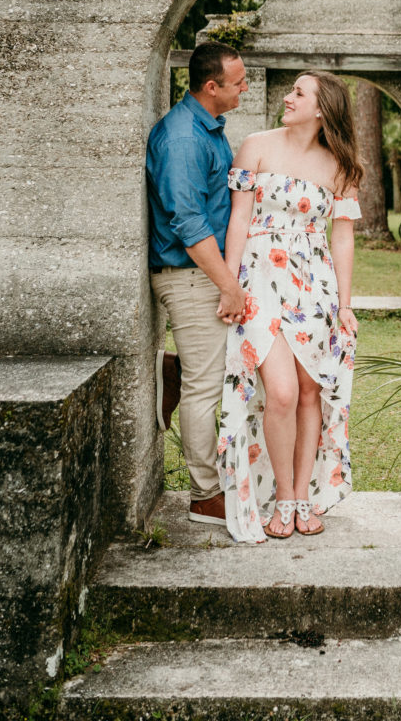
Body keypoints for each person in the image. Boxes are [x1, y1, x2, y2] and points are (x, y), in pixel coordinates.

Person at [218, 71, 362, 542]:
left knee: (308, 393)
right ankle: (281, 495)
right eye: (291, 90)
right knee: (278, 393)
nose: (287, 97)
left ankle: (302, 496)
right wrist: (230, 285)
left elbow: (342, 238)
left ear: (322, 109)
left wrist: (343, 304)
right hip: (259, 281)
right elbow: (238, 219)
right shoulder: (255, 145)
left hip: (313, 287)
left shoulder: (340, 166)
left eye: (298, 93)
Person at [146, 41, 248, 527]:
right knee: (206, 388)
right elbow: (187, 222)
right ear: (212, 87)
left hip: (204, 274)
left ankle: (175, 368)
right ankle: (205, 494)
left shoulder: (207, 128)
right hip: (192, 277)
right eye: (239, 82)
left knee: (214, 373)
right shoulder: (184, 137)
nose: (245, 87)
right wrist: (228, 285)